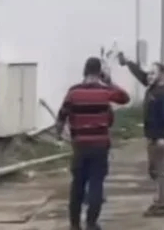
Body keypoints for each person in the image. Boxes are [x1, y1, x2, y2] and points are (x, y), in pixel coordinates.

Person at [55, 57, 131, 230]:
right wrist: (109, 81)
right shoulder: (105, 92)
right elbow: (125, 98)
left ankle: (74, 225)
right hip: (100, 146)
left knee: (78, 184)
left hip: (80, 145)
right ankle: (91, 223)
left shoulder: (73, 92)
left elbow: (61, 116)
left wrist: (59, 135)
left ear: (84, 71)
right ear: (100, 73)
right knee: (96, 184)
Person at [117, 53, 164, 217]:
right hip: (152, 137)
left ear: (161, 75)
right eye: (149, 73)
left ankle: (163, 204)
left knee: (161, 170)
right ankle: (162, 201)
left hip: (160, 139)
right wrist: (128, 62)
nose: (149, 76)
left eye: (153, 73)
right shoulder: (153, 87)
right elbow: (141, 75)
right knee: (155, 170)